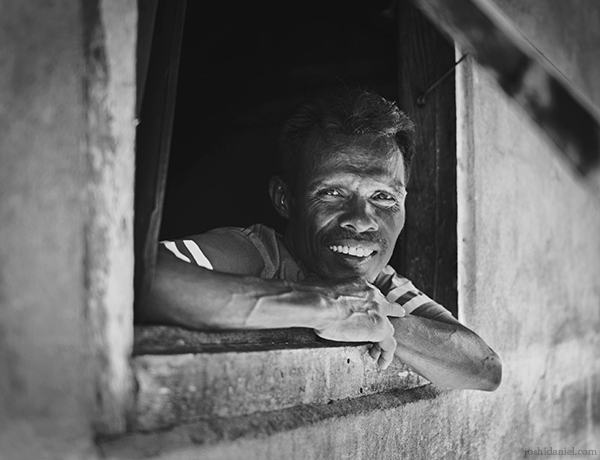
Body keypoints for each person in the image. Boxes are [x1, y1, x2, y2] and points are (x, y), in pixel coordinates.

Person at [138, 89, 502, 391]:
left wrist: (374, 318)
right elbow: (143, 279)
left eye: (383, 197)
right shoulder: (254, 252)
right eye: (332, 193)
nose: (361, 221)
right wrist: (325, 306)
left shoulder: (381, 287)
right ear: (285, 198)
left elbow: (484, 369)